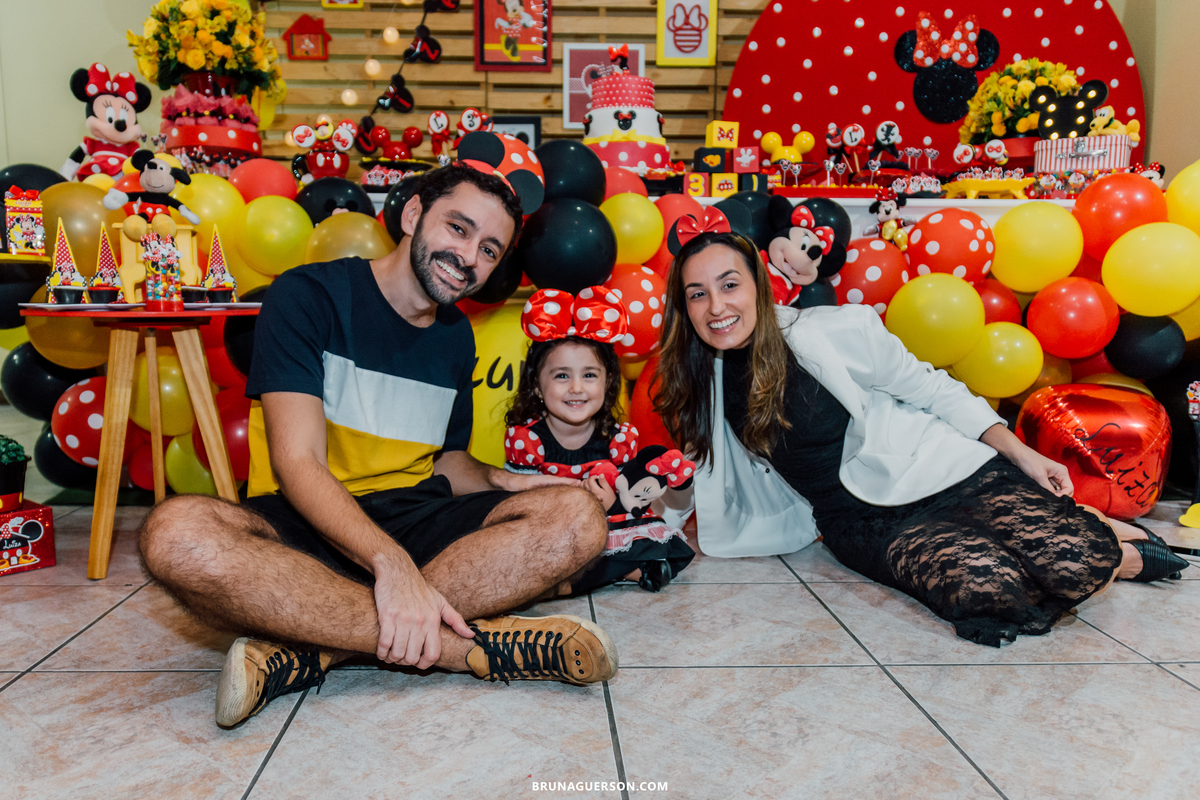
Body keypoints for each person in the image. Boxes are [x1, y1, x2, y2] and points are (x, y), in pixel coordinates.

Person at [138, 164, 618, 729]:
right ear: (412, 215)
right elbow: (297, 463)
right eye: (458, 229)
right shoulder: (307, 295)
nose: (469, 258)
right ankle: (467, 651)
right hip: (308, 518)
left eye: (490, 249)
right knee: (175, 534)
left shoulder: (455, 334)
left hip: (414, 514)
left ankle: (313, 645)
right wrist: (390, 566)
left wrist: (511, 481)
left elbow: (448, 460)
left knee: (579, 520)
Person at [652, 219, 1188, 647]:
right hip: (860, 521)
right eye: (698, 295)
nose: (717, 307)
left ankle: (1116, 545)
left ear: (759, 286)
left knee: (1071, 561)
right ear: (685, 309)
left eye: (729, 285)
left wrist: (1021, 454)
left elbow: (933, 389)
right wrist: (658, 525)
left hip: (943, 470)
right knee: (986, 588)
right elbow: (695, 475)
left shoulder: (833, 331)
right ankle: (1093, 533)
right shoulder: (704, 385)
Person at [504, 286, 695, 593]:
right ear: (537, 386)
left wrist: (612, 502)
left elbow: (631, 499)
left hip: (605, 528)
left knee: (653, 538)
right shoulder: (527, 440)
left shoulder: (618, 439)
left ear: (608, 384)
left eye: (590, 375)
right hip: (551, 528)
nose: (577, 387)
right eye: (562, 376)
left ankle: (588, 576)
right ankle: (625, 572)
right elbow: (515, 501)